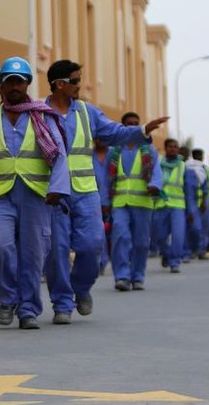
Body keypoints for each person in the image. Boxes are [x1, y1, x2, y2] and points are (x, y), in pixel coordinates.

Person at [43, 60, 165, 320]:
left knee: (93, 245)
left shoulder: (88, 113)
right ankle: (62, 304)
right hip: (52, 193)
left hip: (86, 192)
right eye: (75, 81)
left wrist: (142, 130)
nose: (80, 85)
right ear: (59, 84)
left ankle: (81, 288)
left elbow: (115, 133)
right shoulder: (39, 114)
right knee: (57, 250)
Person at [0, 57, 69, 329]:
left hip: (36, 195)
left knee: (33, 254)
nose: (15, 86)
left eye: (19, 81)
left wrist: (57, 189)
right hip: (0, 196)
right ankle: (7, 299)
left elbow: (59, 155)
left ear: (27, 84)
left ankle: (28, 309)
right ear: (1, 86)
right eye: (9, 81)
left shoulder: (42, 116)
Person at [108, 112, 162, 291]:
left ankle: (138, 275)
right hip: (120, 202)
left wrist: (155, 184)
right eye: (128, 124)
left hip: (143, 201)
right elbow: (105, 176)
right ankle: (122, 276)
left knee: (141, 242)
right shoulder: (114, 150)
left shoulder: (148, 150)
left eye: (136, 124)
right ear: (123, 128)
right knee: (120, 237)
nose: (133, 127)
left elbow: (157, 172)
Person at [152, 139, 198, 273]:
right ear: (165, 148)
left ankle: (175, 261)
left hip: (178, 206)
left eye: (175, 147)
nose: (173, 149)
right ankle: (166, 254)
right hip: (160, 205)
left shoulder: (184, 168)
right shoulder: (158, 165)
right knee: (159, 236)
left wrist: (190, 211)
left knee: (178, 236)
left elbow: (189, 191)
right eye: (170, 146)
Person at [93, 138, 113, 276]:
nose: (101, 139)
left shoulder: (115, 154)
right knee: (99, 232)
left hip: (116, 198)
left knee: (118, 233)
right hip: (93, 200)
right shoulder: (88, 155)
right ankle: (101, 261)